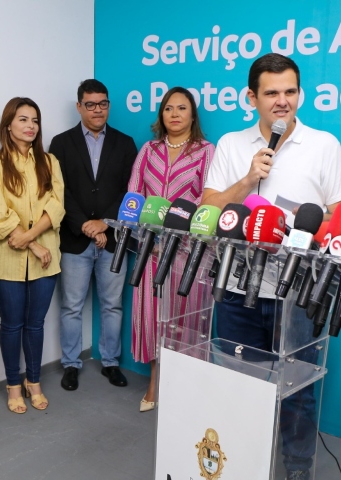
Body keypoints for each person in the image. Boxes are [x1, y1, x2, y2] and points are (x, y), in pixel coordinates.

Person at [200, 53, 341, 479]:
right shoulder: (232, 144)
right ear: (252, 97)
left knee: (298, 393)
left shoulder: (324, 145)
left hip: (300, 293)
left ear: (299, 94)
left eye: (290, 91)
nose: (282, 101)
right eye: (271, 93)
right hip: (236, 287)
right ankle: (236, 466)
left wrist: (292, 222)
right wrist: (249, 180)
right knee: (236, 385)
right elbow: (207, 210)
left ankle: (297, 469)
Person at [127, 86, 214, 411]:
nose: (174, 114)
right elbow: (134, 195)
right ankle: (155, 383)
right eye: (168, 108)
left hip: (189, 252)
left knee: (185, 319)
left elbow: (208, 198)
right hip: (151, 251)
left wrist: (176, 228)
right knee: (153, 318)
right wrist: (145, 233)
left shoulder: (206, 151)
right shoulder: (148, 150)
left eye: (181, 108)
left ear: (192, 115)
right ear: (161, 115)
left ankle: (187, 390)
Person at [49, 79, 137, 391]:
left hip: (114, 238)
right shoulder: (60, 143)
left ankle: (110, 362)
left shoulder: (125, 144)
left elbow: (131, 190)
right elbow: (59, 192)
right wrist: (86, 225)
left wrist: (105, 223)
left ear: (108, 105)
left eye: (102, 103)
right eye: (90, 104)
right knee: (72, 306)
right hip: (75, 240)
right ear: (79, 107)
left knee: (112, 304)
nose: (97, 109)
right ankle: (71, 364)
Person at [0, 97, 64, 414]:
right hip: (5, 258)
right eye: (23, 120)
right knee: (12, 324)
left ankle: (34, 380)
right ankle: (13, 385)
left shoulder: (50, 161)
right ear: (8, 125)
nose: (30, 126)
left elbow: (57, 205)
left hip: (46, 258)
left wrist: (32, 237)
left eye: (35, 120)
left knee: (36, 324)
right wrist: (32, 243)